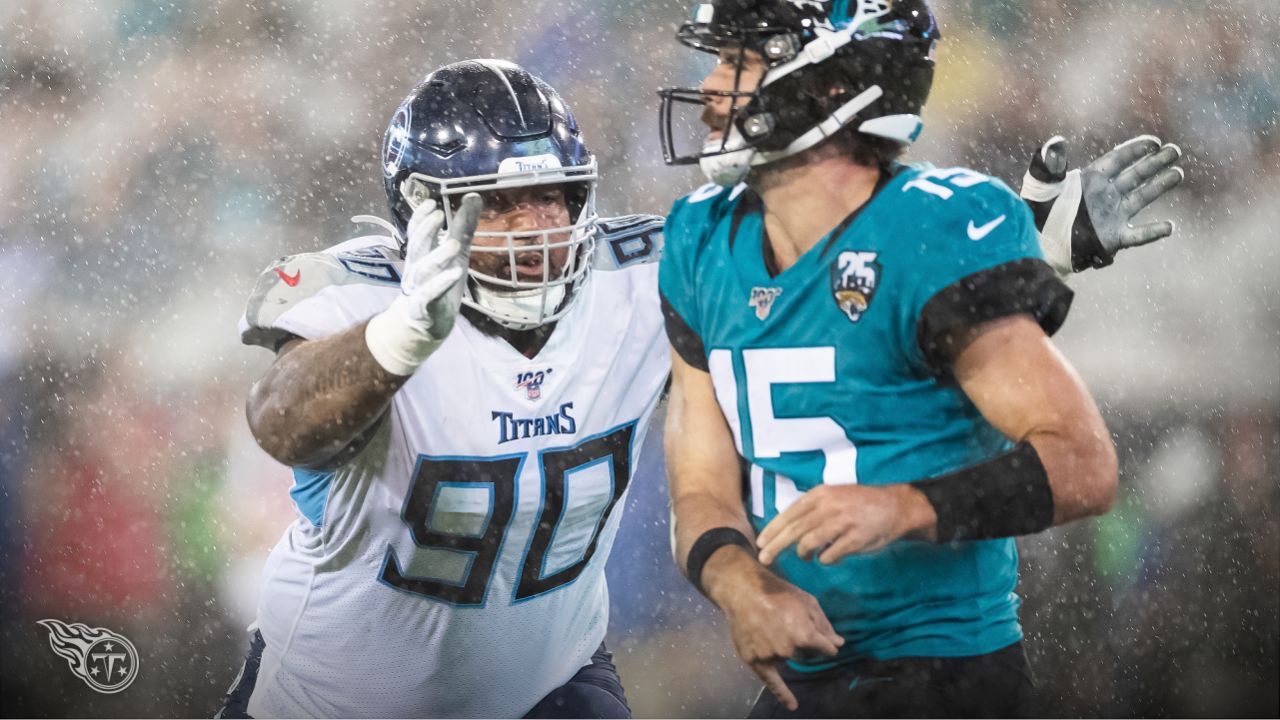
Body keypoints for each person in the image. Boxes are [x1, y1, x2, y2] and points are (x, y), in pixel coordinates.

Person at [656, 1, 1184, 717]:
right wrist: (740, 585)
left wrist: (907, 507)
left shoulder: (934, 227)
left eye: (742, 60)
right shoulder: (700, 238)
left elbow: (1086, 468)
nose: (714, 87)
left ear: (833, 85)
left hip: (944, 671)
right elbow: (699, 488)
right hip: (803, 679)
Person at [221, 59, 667, 718]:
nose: (534, 226)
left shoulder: (637, 282)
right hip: (333, 700)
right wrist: (394, 339)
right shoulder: (358, 297)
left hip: (550, 683)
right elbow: (278, 422)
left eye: (551, 195)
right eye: (498, 202)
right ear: (423, 210)